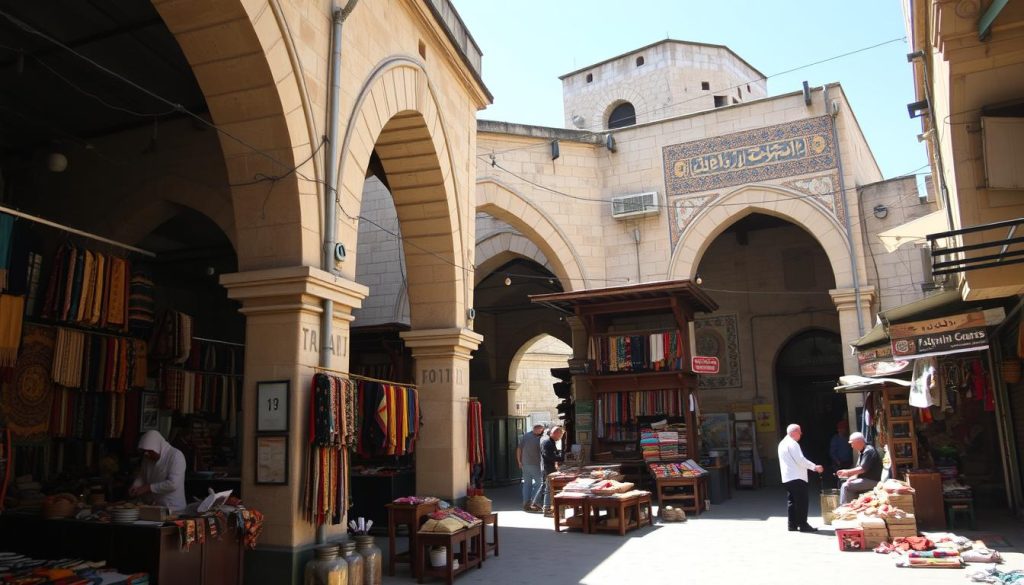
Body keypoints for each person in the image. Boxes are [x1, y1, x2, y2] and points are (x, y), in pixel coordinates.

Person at [777, 423, 824, 533]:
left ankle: (792, 525)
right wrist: (814, 467)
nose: (801, 434)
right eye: (800, 432)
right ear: (794, 432)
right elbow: (800, 460)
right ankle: (803, 524)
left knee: (792, 501)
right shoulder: (793, 444)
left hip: (787, 477)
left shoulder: (782, 443)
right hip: (797, 477)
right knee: (802, 501)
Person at [129, 430, 187, 512]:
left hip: (174, 508)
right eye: (144, 451)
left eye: (149, 451)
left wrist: (148, 488)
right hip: (154, 507)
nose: (146, 454)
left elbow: (173, 484)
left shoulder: (176, 456)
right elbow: (142, 475)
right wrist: (135, 486)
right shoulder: (147, 458)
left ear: (157, 447)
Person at [837, 431, 882, 504]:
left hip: (873, 481)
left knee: (845, 486)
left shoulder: (869, 451)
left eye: (852, 443)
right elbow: (858, 468)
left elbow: (862, 469)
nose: (851, 446)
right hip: (865, 479)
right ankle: (852, 507)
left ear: (859, 441)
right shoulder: (862, 451)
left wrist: (847, 472)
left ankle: (844, 508)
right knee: (847, 483)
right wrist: (852, 477)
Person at [535, 425, 564, 517]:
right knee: (548, 488)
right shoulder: (547, 442)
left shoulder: (550, 441)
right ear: (555, 433)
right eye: (560, 435)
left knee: (545, 485)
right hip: (548, 468)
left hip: (548, 467)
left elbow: (553, 453)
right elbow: (549, 456)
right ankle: (547, 508)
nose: (560, 438)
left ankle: (536, 502)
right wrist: (561, 458)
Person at [516, 424, 545, 512]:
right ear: (537, 429)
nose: (542, 431)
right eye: (541, 430)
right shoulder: (538, 438)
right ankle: (534, 502)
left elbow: (518, 449)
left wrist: (519, 462)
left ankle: (526, 503)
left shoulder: (525, 436)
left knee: (527, 484)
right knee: (539, 483)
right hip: (534, 464)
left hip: (525, 464)